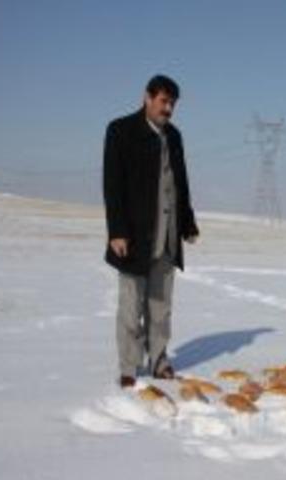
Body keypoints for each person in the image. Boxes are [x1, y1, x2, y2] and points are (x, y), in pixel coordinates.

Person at [103, 75, 200, 388]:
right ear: (147, 97)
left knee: (160, 308)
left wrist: (187, 223)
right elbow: (112, 185)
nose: (168, 109)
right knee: (131, 307)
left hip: (167, 237)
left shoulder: (174, 136)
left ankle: (159, 361)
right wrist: (116, 231)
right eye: (163, 101)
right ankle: (129, 368)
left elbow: (181, 183)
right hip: (132, 238)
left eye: (172, 104)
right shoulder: (120, 130)